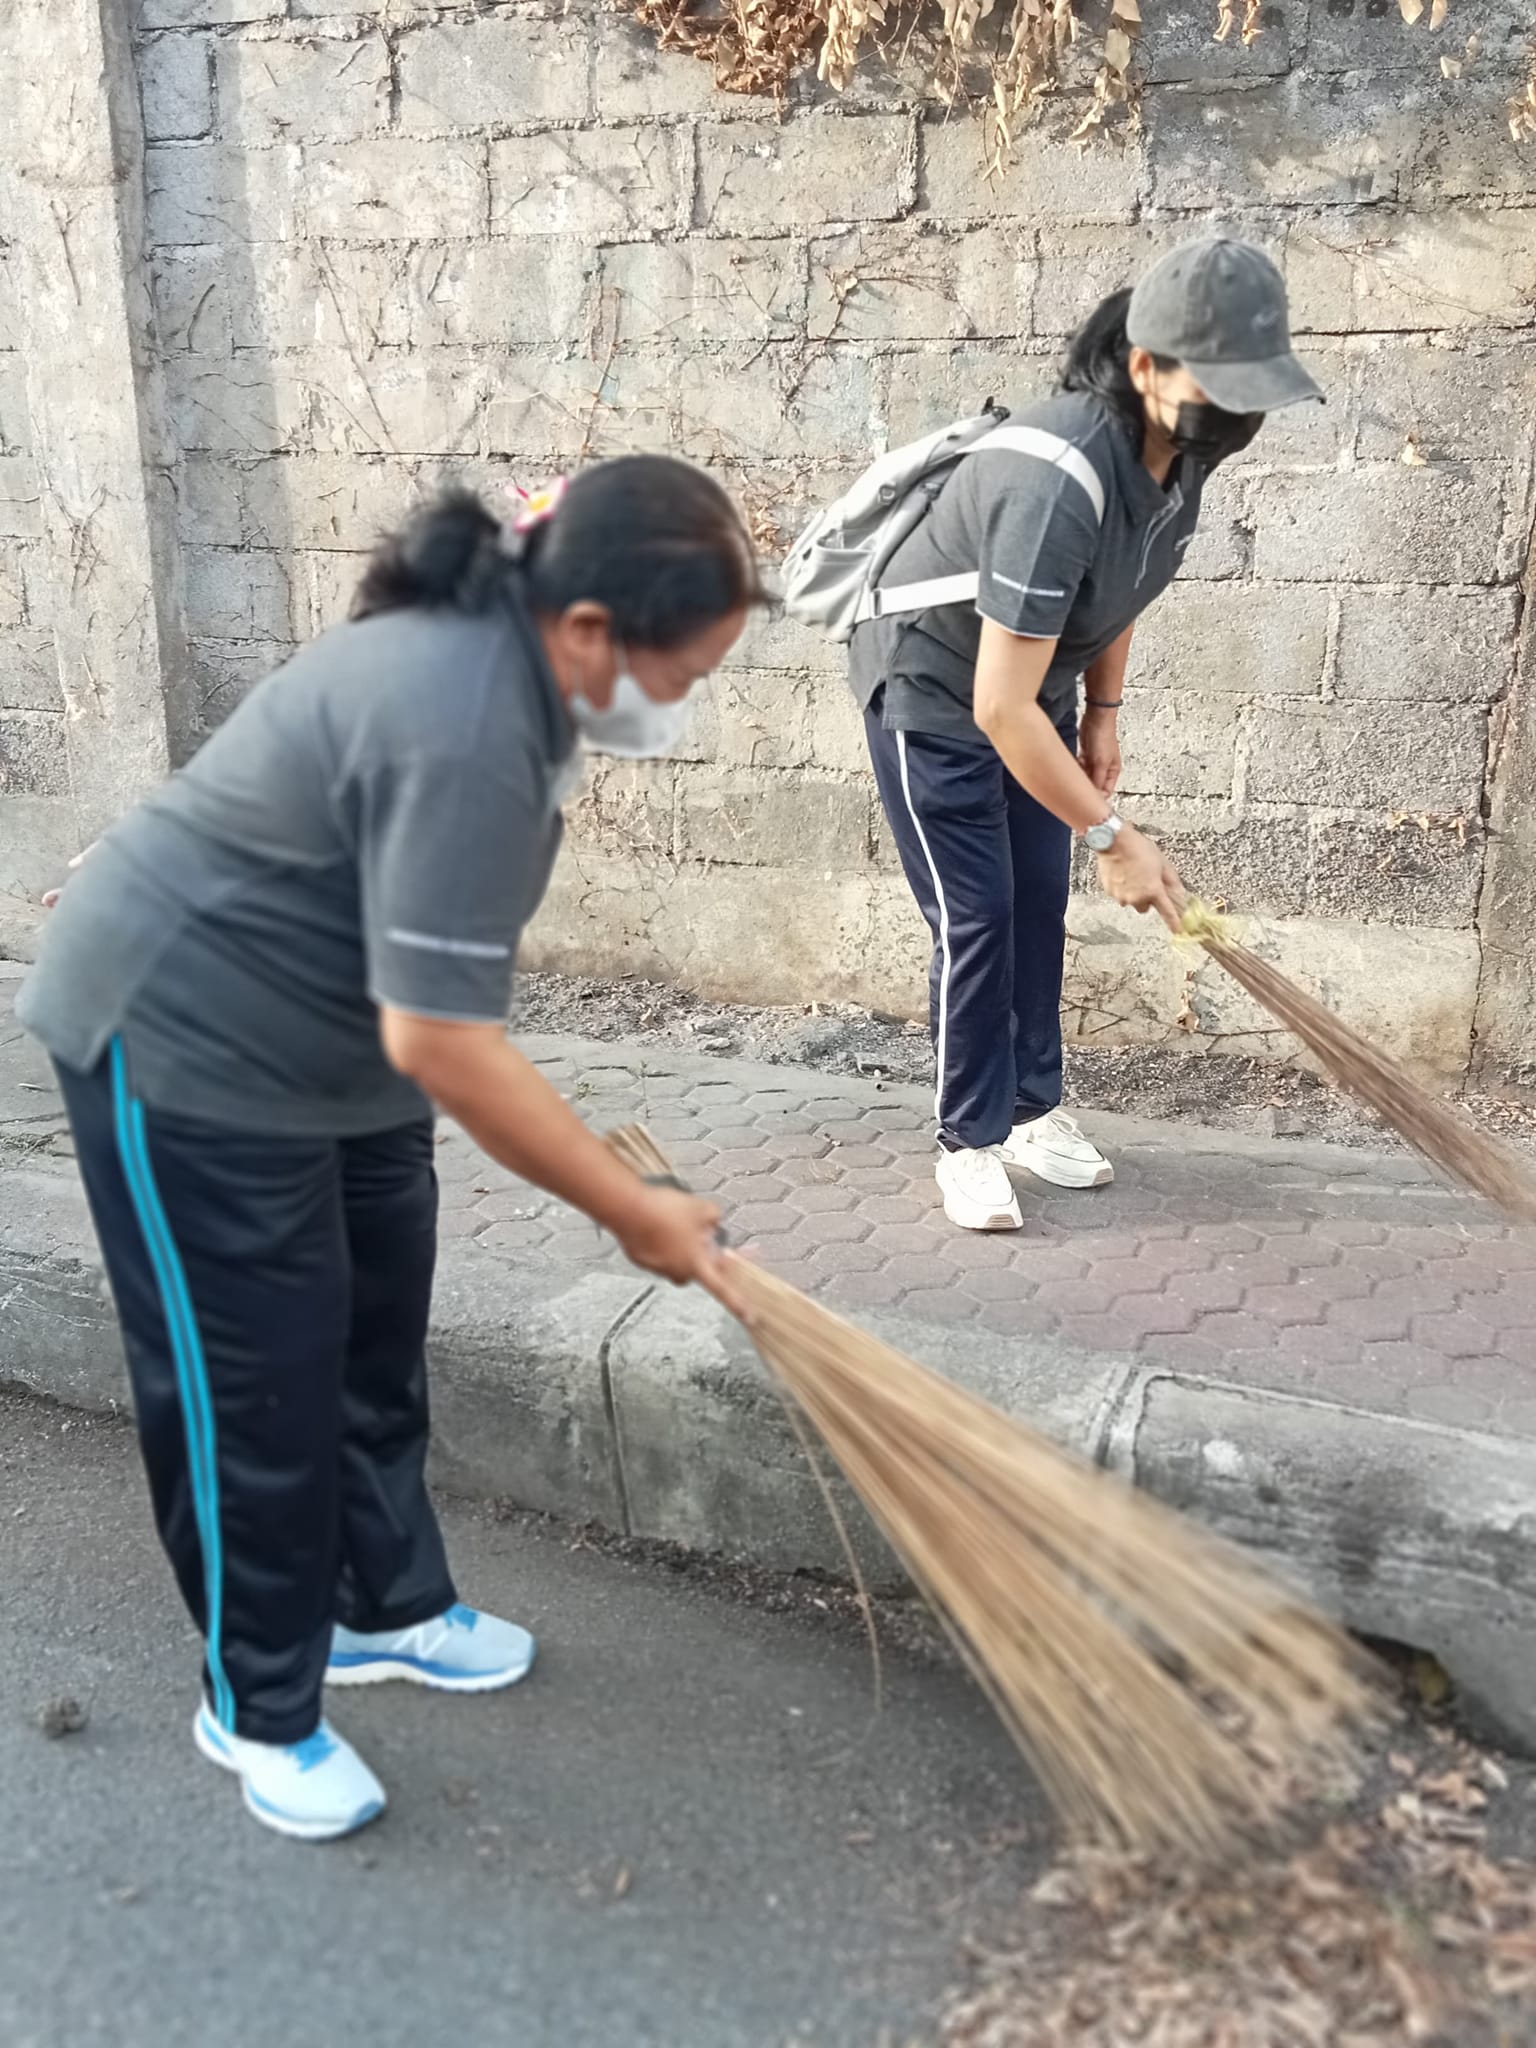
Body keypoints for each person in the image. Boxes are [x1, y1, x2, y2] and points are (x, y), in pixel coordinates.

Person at [18, 455, 768, 1842]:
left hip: (330, 1035)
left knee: (368, 1331)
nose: (683, 702)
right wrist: (631, 1211)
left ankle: (385, 1604)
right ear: (594, 628)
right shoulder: (466, 709)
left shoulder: (516, 672)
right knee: (257, 1390)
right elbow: (452, 1047)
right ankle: (258, 1707)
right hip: (177, 1040)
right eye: (685, 671)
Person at [849, 236, 1323, 1232]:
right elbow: (997, 709)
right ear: (1145, 366)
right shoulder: (1057, 474)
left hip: (1034, 690)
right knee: (976, 916)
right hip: (937, 696)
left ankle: (1030, 1109)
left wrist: (1103, 719)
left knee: (1034, 906)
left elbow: (1121, 590)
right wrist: (1113, 838)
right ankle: (969, 1139)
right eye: (1220, 384)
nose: (1239, 414)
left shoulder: (1179, 460)